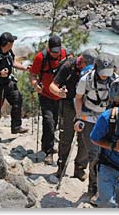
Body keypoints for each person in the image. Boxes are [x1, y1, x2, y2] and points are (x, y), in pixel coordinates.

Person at [49, 49, 98, 181]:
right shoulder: (68, 66)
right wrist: (59, 92)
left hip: (87, 107)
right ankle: (61, 167)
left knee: (84, 139)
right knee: (66, 137)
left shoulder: (93, 70)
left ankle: (80, 169)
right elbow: (52, 85)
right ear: (81, 60)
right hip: (69, 105)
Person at [74, 54, 117, 202]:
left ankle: (104, 186)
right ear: (96, 68)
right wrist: (78, 117)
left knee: (106, 154)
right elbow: (78, 99)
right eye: (103, 73)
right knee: (94, 154)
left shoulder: (114, 80)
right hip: (89, 118)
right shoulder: (85, 80)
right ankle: (94, 188)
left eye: (108, 73)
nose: (105, 77)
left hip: (106, 118)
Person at [0, 32, 29, 143]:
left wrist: (24, 68)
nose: (13, 43)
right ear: (8, 43)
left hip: (6, 82)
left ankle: (16, 126)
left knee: (17, 98)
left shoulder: (9, 52)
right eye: (12, 42)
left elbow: (12, 62)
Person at [29, 35, 67, 165]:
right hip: (45, 94)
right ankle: (48, 152)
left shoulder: (64, 55)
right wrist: (35, 85)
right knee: (48, 121)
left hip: (59, 96)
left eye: (58, 51)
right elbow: (33, 75)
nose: (56, 54)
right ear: (48, 48)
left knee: (54, 122)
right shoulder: (41, 58)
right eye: (53, 51)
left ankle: (46, 146)